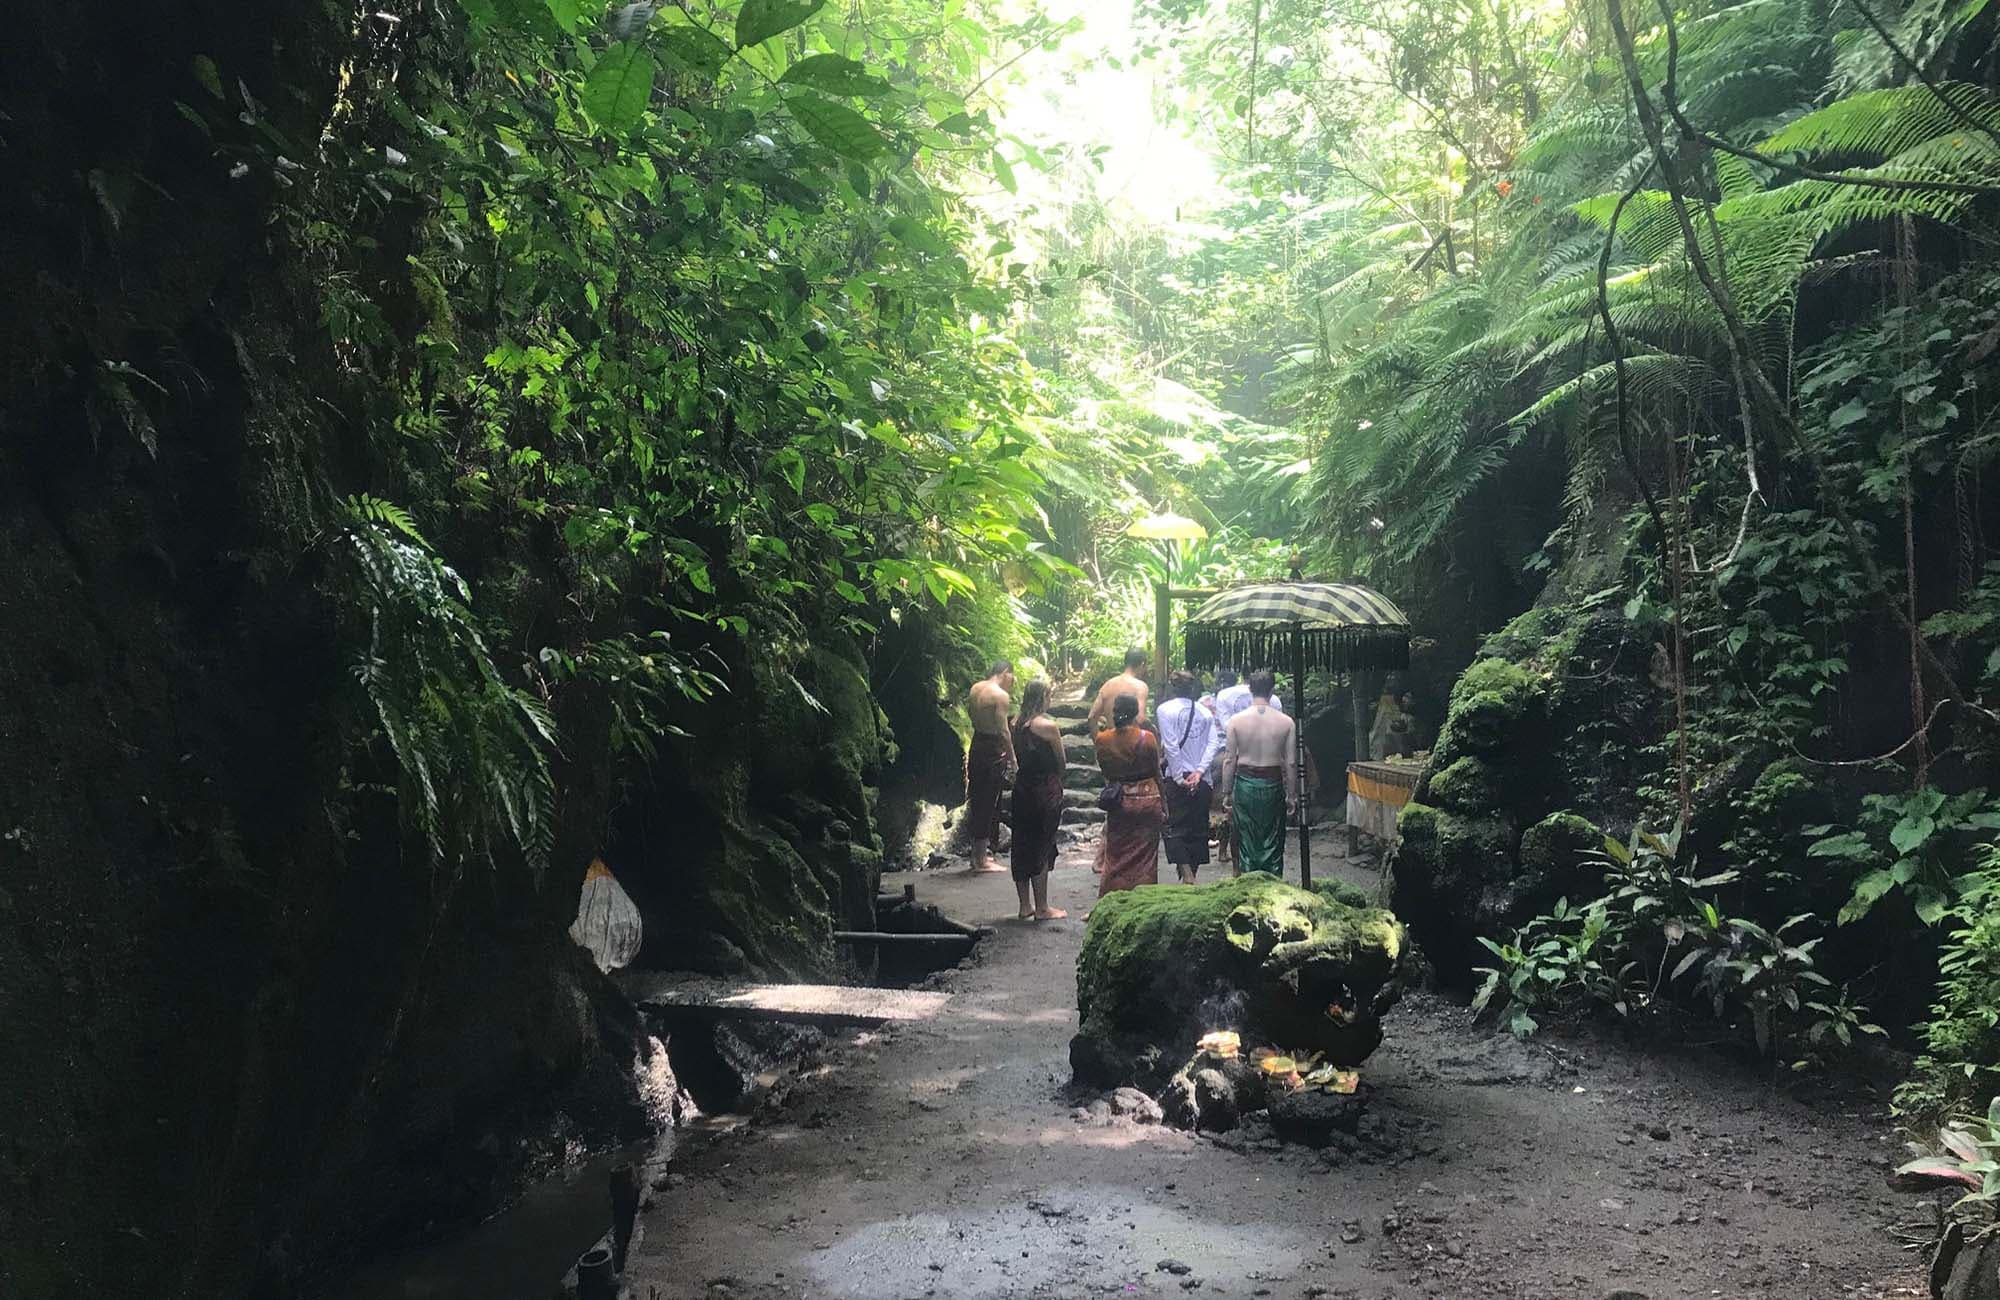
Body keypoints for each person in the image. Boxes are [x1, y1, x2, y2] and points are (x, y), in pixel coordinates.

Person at [1220, 670, 1296, 878]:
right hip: (1273, 783)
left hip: (1245, 783)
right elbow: (1290, 762)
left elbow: (1229, 759)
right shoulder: (1286, 722)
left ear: (1250, 689)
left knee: (1246, 837)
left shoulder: (1235, 721)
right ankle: (1272, 882)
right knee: (1273, 837)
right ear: (1272, 690)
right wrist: (1292, 795)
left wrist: (1227, 793)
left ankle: (1248, 881)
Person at [1008, 680, 1068, 920]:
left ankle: (1025, 906)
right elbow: (1061, 761)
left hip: (1022, 788)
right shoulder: (1047, 726)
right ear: (1043, 697)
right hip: (1045, 788)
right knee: (1043, 843)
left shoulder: (1015, 723)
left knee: (1021, 841)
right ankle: (1042, 907)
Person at [1093, 693, 1165, 896]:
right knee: (1146, 858)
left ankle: (1108, 902)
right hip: (1148, 800)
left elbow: (1106, 772)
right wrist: (1165, 806)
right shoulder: (1147, 738)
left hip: (1120, 802)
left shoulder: (1102, 739)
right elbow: (1156, 773)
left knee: (1115, 855)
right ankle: (1143, 901)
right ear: (1136, 713)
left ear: (1114, 713)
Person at [1156, 670, 1220, 884]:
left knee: (1175, 827)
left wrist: (1179, 778)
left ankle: (1187, 875)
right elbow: (1213, 744)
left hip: (1178, 778)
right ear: (1192, 688)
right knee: (1198, 829)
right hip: (1202, 780)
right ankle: (1191, 875)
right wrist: (1200, 772)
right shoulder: (1205, 712)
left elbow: (1171, 745)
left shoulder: (1165, 710)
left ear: (1173, 687)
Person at [964, 661, 1017, 874]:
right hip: (992, 748)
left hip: (977, 743)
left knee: (978, 797)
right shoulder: (1000, 696)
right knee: (988, 799)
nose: (1013, 682)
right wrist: (1013, 759)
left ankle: (978, 855)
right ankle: (980, 859)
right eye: (1012, 677)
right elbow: (1004, 731)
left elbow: (971, 714)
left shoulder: (976, 688)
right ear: (1005, 673)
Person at [1086, 648, 1151, 732]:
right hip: (1132, 742)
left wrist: (1098, 740)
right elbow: (1140, 719)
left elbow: (1091, 717)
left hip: (1111, 742)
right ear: (1142, 664)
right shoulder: (1140, 687)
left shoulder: (1107, 685)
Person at [1212, 668, 1282, 735]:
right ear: (1272, 690)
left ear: (1250, 688)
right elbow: (1278, 731)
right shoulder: (1276, 702)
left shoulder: (1224, 695)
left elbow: (1227, 728)